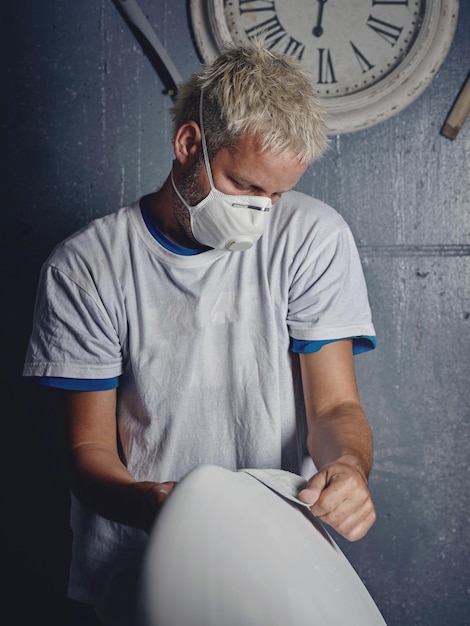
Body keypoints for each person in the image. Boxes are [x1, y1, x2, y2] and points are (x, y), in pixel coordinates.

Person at [23, 42, 377, 626]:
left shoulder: (312, 237)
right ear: (190, 145)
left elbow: (335, 405)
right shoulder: (86, 267)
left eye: (277, 194)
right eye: (244, 185)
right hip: (140, 565)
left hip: (277, 556)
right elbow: (88, 451)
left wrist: (349, 470)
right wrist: (158, 506)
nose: (262, 211)